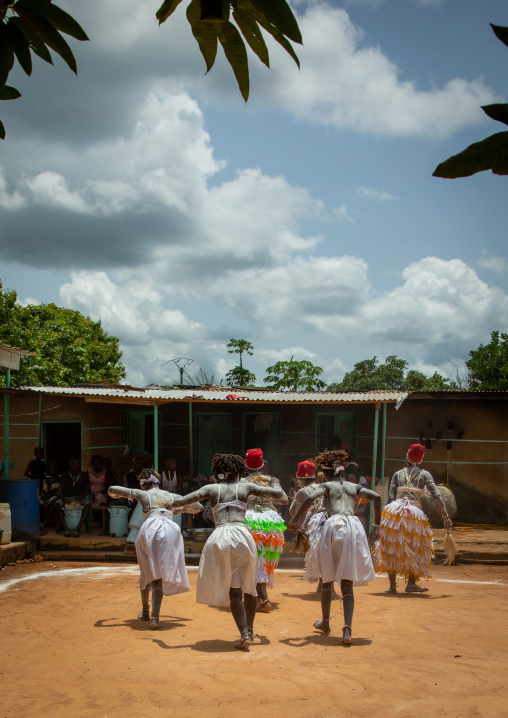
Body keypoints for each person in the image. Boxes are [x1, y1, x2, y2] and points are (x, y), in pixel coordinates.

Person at [169, 453, 285, 650]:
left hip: (220, 537)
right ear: (239, 471)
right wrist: (275, 482)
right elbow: (279, 496)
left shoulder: (211, 488)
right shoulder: (246, 487)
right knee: (250, 586)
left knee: (234, 590)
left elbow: (181, 501)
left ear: (218, 472)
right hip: (242, 536)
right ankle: (250, 628)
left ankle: (244, 634)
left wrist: (170, 505)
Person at [289, 453, 381, 645]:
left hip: (334, 525)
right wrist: (377, 526)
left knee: (327, 578)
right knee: (346, 583)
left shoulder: (326, 486)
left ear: (328, 471)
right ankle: (347, 629)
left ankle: (325, 622)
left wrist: (295, 519)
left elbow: (309, 499)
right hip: (353, 527)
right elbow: (377, 497)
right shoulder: (353, 486)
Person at [108, 468, 202, 629]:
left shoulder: (143, 494)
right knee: (159, 572)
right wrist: (178, 509)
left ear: (144, 484)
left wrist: (117, 495)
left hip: (150, 529)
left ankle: (147, 612)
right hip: (170, 530)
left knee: (147, 572)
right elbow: (198, 506)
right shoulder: (172, 496)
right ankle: (154, 617)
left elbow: (111, 490)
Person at [374, 443, 453, 594]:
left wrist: (386, 519)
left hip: (394, 511)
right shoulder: (425, 475)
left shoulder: (398, 474)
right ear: (421, 459)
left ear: (407, 456)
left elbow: (390, 498)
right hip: (414, 514)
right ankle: (411, 583)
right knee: (415, 546)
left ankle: (392, 586)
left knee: (392, 545)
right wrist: (445, 515)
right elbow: (436, 496)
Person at [241, 448, 288, 612]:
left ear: (246, 464)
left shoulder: (242, 481)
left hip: (251, 521)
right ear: (262, 463)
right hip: (272, 523)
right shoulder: (272, 480)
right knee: (262, 560)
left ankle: (263, 597)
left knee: (253, 560)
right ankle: (259, 594)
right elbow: (284, 499)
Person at [288, 460, 324, 584]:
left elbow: (292, 510)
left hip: (317, 524)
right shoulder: (322, 487)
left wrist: (296, 525)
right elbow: (314, 508)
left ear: (300, 479)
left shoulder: (302, 492)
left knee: (315, 553)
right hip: (327, 521)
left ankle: (322, 583)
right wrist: (303, 526)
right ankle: (325, 582)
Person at [55, 457, 92, 538]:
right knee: (58, 503)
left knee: (88, 504)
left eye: (77, 464)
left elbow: (88, 490)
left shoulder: (84, 475)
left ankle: (77, 529)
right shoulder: (65, 475)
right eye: (73, 464)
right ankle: (66, 529)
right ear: (70, 464)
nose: (75, 466)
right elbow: (60, 489)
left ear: (79, 465)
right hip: (67, 498)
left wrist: (80, 496)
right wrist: (64, 499)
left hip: (79, 498)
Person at [343, 462, 370, 534]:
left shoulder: (361, 492)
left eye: (352, 479)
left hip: (356, 517)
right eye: (348, 479)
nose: (350, 481)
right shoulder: (343, 491)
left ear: (357, 480)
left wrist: (351, 513)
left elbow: (364, 508)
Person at [39, 460, 60, 534]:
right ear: (49, 469)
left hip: (52, 497)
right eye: (52, 468)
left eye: (55, 468)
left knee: (55, 499)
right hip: (45, 497)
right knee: (34, 499)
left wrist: (47, 495)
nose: (54, 469)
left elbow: (57, 492)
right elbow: (43, 490)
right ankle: (33, 521)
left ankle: (45, 523)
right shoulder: (46, 479)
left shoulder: (60, 479)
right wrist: (42, 494)